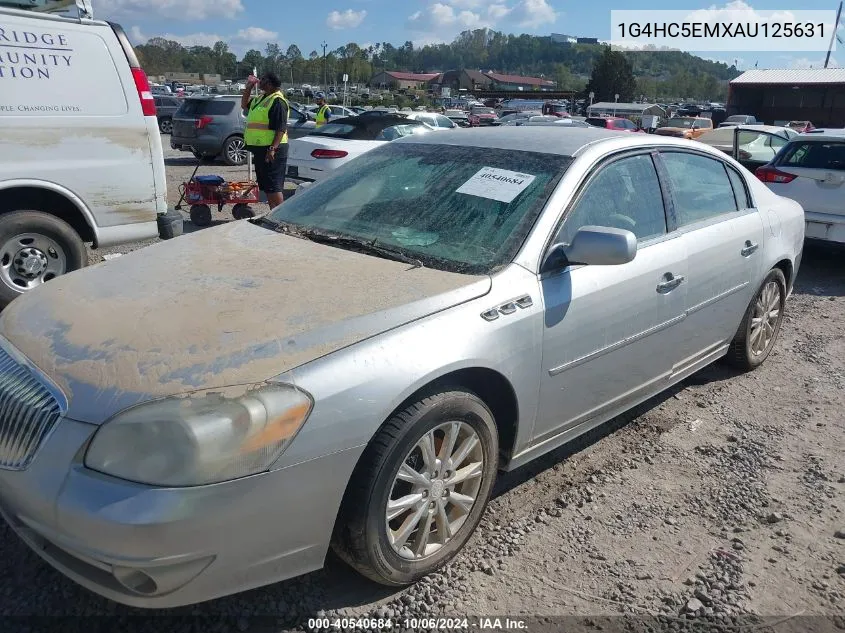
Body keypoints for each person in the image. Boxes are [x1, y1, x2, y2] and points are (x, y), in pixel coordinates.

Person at [241, 72, 289, 209]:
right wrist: (248, 88)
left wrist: (272, 149)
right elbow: (244, 105)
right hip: (261, 150)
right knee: (268, 187)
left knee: (274, 187)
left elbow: (281, 128)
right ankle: (273, 215)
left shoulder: (278, 101)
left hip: (273, 150)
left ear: (269, 83)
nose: (260, 81)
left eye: (263, 79)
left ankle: (281, 218)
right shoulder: (261, 98)